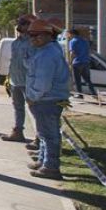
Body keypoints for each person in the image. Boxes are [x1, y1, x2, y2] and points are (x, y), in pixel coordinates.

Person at [24, 18, 71, 180]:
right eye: (30, 35)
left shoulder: (47, 55)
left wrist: (33, 97)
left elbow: (43, 82)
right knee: (44, 134)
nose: (32, 38)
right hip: (47, 100)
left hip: (46, 100)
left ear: (48, 35)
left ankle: (51, 167)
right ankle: (43, 161)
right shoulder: (46, 51)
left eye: (36, 35)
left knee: (49, 135)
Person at [0, 15, 35, 142]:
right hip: (15, 81)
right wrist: (8, 79)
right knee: (18, 107)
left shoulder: (33, 42)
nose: (19, 25)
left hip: (29, 82)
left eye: (23, 23)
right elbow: (13, 62)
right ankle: (18, 132)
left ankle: (39, 138)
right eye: (19, 23)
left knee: (34, 109)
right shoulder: (15, 43)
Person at [68, 28, 97, 97]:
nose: (68, 36)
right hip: (86, 62)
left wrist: (70, 62)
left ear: (72, 34)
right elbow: (89, 51)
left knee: (78, 80)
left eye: (68, 34)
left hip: (77, 63)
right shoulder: (85, 41)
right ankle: (93, 93)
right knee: (87, 79)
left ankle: (80, 94)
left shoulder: (73, 41)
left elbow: (72, 53)